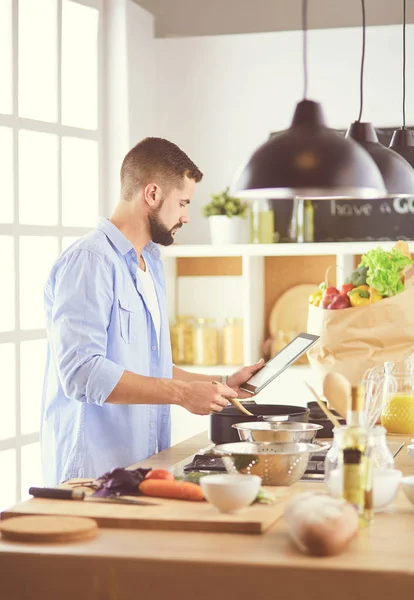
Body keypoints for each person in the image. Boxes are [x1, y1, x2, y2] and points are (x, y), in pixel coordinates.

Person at [41, 137, 263, 485]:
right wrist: (183, 395)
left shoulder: (152, 262)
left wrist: (218, 384)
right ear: (153, 194)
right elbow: (81, 373)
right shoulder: (91, 261)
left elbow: (150, 366)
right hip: (92, 475)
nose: (187, 216)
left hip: (140, 467)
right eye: (183, 202)